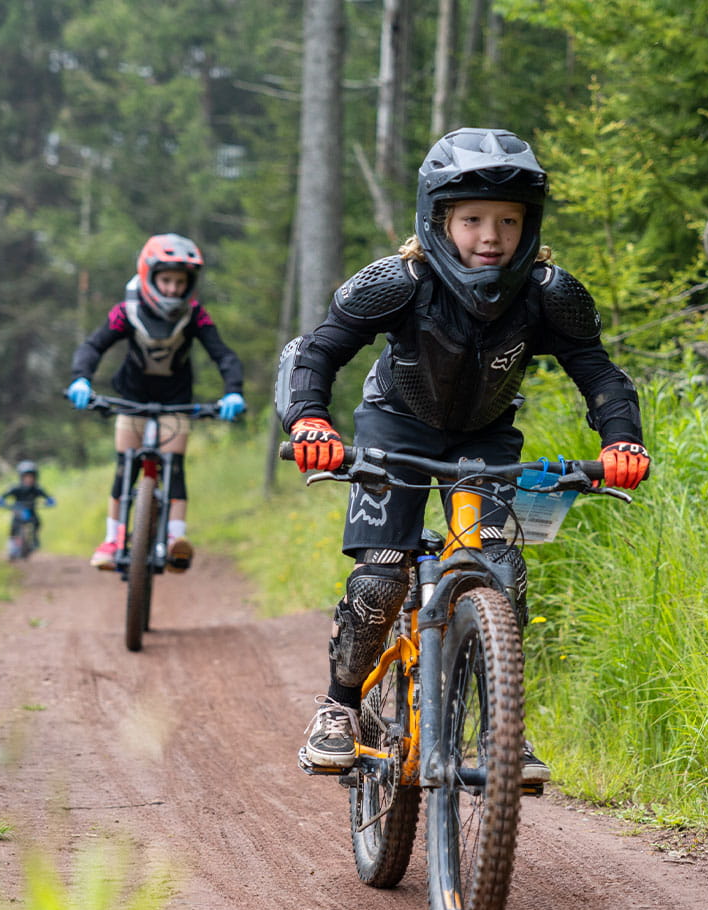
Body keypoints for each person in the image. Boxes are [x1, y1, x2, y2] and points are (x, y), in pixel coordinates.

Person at [279, 127, 651, 784]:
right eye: (473, 218)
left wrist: (620, 441)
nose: (491, 236)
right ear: (437, 219)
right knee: (381, 577)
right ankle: (339, 708)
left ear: (529, 224)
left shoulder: (547, 293)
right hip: (395, 430)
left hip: (485, 440)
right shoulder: (398, 282)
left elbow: (598, 372)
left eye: (508, 221)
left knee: (500, 570)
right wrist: (310, 421)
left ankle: (504, 733)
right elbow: (318, 351)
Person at [66, 233, 246, 572]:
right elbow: (93, 346)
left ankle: (176, 539)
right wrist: (81, 378)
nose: (173, 289)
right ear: (149, 276)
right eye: (166, 280)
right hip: (131, 398)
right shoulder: (126, 311)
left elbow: (224, 356)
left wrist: (232, 390)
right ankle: (113, 538)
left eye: (180, 282)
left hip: (176, 401)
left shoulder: (195, 316)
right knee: (125, 465)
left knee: (174, 466)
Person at [0, 460, 57, 557]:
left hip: (32, 511)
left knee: (37, 523)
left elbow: (48, 497)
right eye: (26, 477)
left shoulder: (37, 489)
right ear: (21, 477)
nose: (29, 479)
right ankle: (12, 547)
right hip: (18, 511)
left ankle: (34, 539)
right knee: (14, 527)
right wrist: (1, 501)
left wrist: (50, 501)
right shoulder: (15, 488)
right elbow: (3, 496)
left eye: (31, 477)